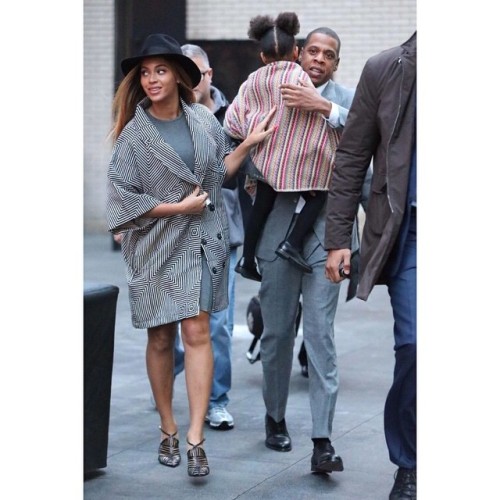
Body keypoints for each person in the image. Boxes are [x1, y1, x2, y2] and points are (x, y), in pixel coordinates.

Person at [106, 33, 275, 477]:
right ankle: (168, 428)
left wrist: (248, 143)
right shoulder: (133, 136)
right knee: (160, 338)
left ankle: (196, 437)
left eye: (160, 70)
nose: (151, 79)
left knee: (197, 331)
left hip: (200, 242)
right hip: (155, 246)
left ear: (180, 76)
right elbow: (121, 203)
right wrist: (179, 207)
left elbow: (218, 174)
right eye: (144, 72)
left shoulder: (202, 119)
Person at [253, 26, 355, 474]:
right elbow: (242, 130)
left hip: (329, 231)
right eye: (312, 50)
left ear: (335, 64)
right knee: (277, 333)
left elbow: (371, 137)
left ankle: (322, 440)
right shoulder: (273, 87)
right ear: (298, 54)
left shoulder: (348, 98)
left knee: (321, 335)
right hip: (279, 223)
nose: (318, 59)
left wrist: (325, 107)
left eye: (327, 54)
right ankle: (275, 417)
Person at [324, 32, 417, 500]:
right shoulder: (385, 69)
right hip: (412, 233)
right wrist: (339, 238)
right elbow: (353, 155)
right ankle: (411, 462)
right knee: (417, 347)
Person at [224, 13, 342, 281]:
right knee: (324, 187)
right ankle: (292, 243)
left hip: (266, 161)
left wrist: (252, 132)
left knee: (260, 206)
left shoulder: (251, 81)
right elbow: (313, 114)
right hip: (301, 161)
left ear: (263, 57)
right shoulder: (301, 77)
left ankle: (247, 257)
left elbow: (232, 121)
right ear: (297, 53)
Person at [171, 43, 245, 430]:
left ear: (209, 75)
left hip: (221, 236)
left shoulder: (232, 116)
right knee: (180, 322)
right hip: (175, 234)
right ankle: (176, 361)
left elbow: (234, 173)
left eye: (194, 72)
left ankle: (216, 400)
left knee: (218, 324)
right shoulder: (166, 115)